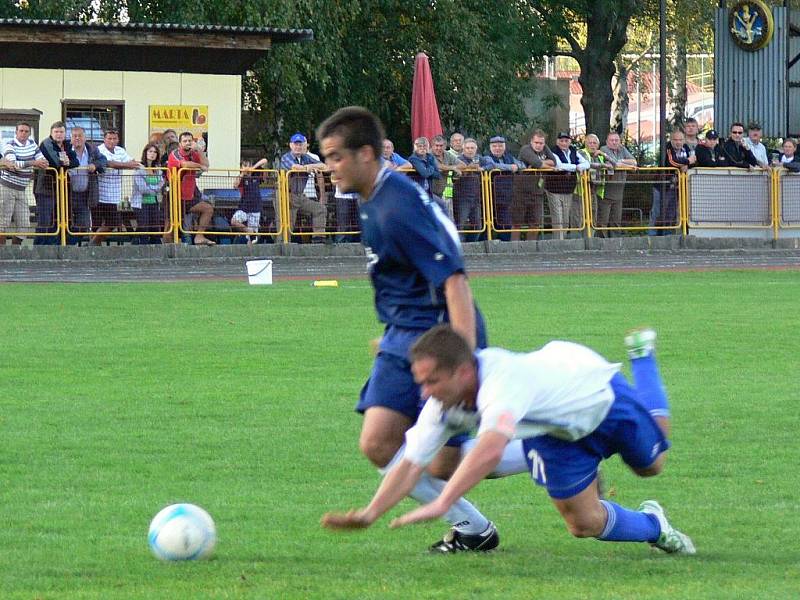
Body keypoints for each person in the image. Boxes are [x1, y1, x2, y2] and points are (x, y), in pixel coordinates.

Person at [323, 324, 696, 557]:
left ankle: (642, 357)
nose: (424, 392)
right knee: (583, 524)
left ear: (464, 371)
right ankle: (656, 525)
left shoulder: (503, 381)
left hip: (597, 395)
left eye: (431, 381)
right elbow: (409, 463)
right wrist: (370, 513)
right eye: (420, 381)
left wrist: (444, 503)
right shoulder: (441, 403)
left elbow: (489, 449)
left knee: (652, 465)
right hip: (555, 434)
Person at [316, 106, 499, 553]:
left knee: (442, 464)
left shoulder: (398, 206)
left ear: (365, 154)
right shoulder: (375, 197)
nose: (329, 167)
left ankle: (548, 441)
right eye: (327, 157)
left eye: (336, 157)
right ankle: (475, 529)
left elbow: (454, 280)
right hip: (405, 334)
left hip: (439, 336)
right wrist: (394, 332)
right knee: (380, 443)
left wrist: (464, 357)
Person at [0, 122, 48, 245]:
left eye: (26, 131)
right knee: (3, 222)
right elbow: (13, 164)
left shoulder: (32, 144)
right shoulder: (9, 144)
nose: (23, 133)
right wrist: (33, 163)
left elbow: (42, 160)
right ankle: (3, 252)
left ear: (29, 133)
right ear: (16, 132)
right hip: (6, 187)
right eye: (21, 131)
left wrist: (39, 162)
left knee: (25, 223)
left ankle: (15, 250)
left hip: (22, 188)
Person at [92, 129, 141, 246]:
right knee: (96, 224)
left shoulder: (120, 150)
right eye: (109, 138)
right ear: (104, 139)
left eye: (114, 139)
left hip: (115, 195)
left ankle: (93, 243)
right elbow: (108, 163)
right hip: (99, 194)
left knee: (114, 222)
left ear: (118, 140)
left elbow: (133, 163)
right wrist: (124, 165)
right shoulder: (99, 149)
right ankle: (94, 245)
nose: (112, 141)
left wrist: (123, 165)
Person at [167, 131, 214, 245]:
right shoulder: (175, 153)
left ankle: (199, 237)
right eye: (185, 141)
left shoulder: (194, 153)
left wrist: (198, 149)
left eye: (190, 141)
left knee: (208, 209)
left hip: (190, 194)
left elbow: (206, 164)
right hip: (175, 194)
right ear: (180, 143)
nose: (188, 143)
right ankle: (165, 248)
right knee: (170, 225)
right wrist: (199, 166)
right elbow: (185, 164)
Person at [280, 132, 328, 242]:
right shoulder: (285, 157)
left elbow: (324, 166)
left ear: (304, 145)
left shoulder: (306, 158)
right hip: (284, 195)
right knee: (287, 223)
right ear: (290, 145)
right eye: (295, 144)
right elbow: (295, 167)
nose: (298, 147)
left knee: (320, 209)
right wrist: (307, 168)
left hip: (299, 195)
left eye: (300, 144)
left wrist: (309, 166)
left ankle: (318, 239)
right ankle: (282, 247)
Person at [36, 121, 78, 244]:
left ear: (65, 134)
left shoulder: (67, 144)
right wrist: (66, 163)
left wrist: (68, 163)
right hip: (46, 188)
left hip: (62, 188)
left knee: (60, 218)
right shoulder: (46, 143)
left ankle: (57, 245)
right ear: (51, 133)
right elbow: (55, 162)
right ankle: (40, 247)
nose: (59, 134)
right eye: (56, 132)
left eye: (61, 132)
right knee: (45, 220)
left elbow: (75, 161)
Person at [67, 126, 107, 243]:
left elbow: (103, 160)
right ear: (71, 138)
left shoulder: (92, 150)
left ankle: (71, 243)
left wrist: (95, 165)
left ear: (85, 138)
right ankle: (67, 246)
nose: (77, 138)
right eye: (75, 136)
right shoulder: (66, 150)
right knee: (66, 222)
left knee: (84, 224)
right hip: (68, 193)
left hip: (85, 194)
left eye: (80, 136)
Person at [480, 135, 524, 239]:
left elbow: (522, 165)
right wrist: (510, 167)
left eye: (500, 146)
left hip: (506, 197)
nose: (497, 148)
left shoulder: (509, 157)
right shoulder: (486, 157)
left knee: (505, 224)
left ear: (504, 147)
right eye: (494, 146)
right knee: (486, 224)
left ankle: (505, 248)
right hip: (490, 197)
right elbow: (493, 165)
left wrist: (517, 166)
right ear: (490, 147)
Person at [515, 130, 556, 240]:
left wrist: (543, 164)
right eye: (536, 143)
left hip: (537, 191)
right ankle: (514, 247)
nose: (539, 145)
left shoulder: (545, 148)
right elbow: (538, 164)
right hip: (521, 191)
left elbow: (554, 161)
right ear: (531, 142)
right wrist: (548, 166)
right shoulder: (525, 149)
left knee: (535, 222)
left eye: (541, 143)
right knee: (517, 222)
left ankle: (531, 246)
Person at [548, 132, 590, 239]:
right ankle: (559, 241)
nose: (564, 143)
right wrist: (576, 167)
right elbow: (559, 165)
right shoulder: (553, 151)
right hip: (554, 189)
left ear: (570, 141)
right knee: (558, 217)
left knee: (566, 218)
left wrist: (577, 166)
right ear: (557, 141)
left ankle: (563, 240)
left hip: (569, 189)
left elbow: (587, 163)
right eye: (561, 141)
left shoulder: (573, 151)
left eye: (566, 141)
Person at [599, 132, 637, 236]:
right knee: (603, 220)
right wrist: (626, 165)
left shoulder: (622, 149)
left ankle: (615, 241)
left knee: (616, 220)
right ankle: (602, 242)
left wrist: (622, 161)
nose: (614, 142)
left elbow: (634, 162)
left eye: (616, 140)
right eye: (612, 140)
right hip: (606, 191)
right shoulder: (603, 150)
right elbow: (615, 164)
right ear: (607, 142)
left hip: (619, 191)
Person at [131, 144, 165, 244]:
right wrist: (155, 189)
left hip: (154, 202)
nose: (152, 154)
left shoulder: (157, 169)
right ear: (145, 153)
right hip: (141, 203)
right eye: (150, 151)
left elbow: (161, 183)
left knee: (155, 228)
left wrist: (151, 187)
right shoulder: (139, 168)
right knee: (144, 227)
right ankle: (141, 247)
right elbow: (143, 189)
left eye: (155, 152)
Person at [230, 159, 264, 245]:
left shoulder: (256, 174)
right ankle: (248, 230)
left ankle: (251, 249)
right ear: (241, 168)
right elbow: (235, 185)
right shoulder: (241, 178)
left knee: (252, 240)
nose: (247, 168)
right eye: (245, 166)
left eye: (248, 165)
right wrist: (242, 173)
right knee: (234, 221)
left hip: (256, 208)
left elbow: (265, 161)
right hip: (244, 207)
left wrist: (253, 168)